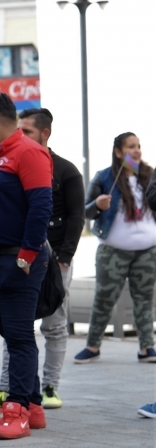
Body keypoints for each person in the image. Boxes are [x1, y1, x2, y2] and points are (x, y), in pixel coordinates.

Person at [0, 109, 84, 409]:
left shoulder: (66, 170)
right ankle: (10, 388)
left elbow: (76, 216)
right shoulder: (9, 161)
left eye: (27, 131)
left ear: (45, 133)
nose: (21, 135)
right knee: (15, 327)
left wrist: (64, 257)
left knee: (54, 325)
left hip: (50, 259)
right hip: (20, 256)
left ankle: (48, 387)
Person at [0, 92, 52, 440]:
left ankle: (17, 410)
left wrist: (28, 255)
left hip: (16, 261)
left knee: (20, 337)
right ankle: (32, 406)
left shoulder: (29, 152)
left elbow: (41, 205)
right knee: (11, 334)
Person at [75, 133, 156, 364]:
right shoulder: (104, 177)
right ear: (118, 152)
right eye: (131, 147)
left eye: (139, 146)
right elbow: (84, 212)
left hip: (148, 250)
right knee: (104, 298)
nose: (137, 151)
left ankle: (147, 347)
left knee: (144, 298)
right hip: (113, 251)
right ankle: (92, 347)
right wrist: (97, 205)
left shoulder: (149, 176)